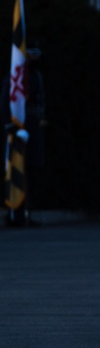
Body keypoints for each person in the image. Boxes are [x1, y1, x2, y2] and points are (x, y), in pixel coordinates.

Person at [3, 46, 46, 227]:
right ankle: (15, 214)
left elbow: (40, 101)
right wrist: (11, 125)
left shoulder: (36, 75)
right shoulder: (16, 76)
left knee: (31, 170)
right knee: (16, 172)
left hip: (33, 129)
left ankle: (26, 212)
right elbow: (8, 99)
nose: (34, 57)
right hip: (18, 129)